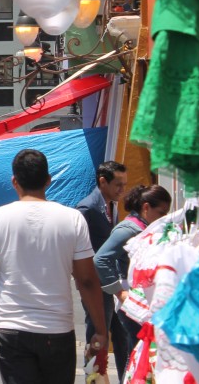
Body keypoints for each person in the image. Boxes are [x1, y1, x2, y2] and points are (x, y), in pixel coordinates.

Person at [0, 149, 108, 384]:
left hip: (11, 328)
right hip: (57, 330)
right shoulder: (72, 218)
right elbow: (86, 280)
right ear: (48, 180)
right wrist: (101, 329)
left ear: (14, 181)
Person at [94, 184, 171, 371]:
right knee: (138, 355)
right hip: (132, 301)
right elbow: (100, 259)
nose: (164, 219)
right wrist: (119, 293)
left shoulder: (143, 227)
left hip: (138, 300)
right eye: (161, 213)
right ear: (146, 207)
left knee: (136, 355)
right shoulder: (129, 230)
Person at [76, 160, 130, 382]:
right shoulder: (87, 208)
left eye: (124, 184)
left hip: (114, 282)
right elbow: (77, 249)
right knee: (98, 335)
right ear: (102, 182)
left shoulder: (112, 205)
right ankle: (94, 379)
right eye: (118, 184)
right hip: (96, 286)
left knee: (122, 335)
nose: (122, 190)